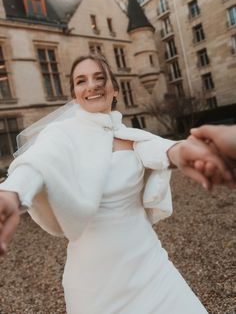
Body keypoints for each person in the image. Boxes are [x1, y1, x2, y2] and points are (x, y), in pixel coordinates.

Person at [0, 54, 233, 314]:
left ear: (115, 88)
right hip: (94, 286)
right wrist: (10, 194)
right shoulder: (60, 137)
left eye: (100, 78)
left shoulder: (132, 137)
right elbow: (36, 164)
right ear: (75, 94)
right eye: (81, 80)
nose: (92, 85)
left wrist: (188, 153)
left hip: (151, 269)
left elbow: (167, 151)